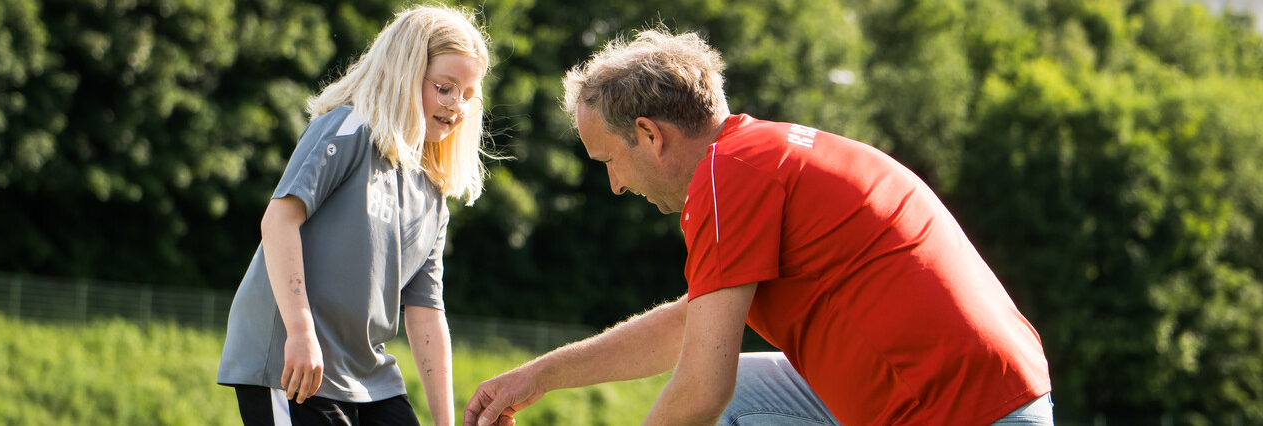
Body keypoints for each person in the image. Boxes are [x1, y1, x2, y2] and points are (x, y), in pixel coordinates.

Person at [463, 28, 1053, 426]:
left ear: (649, 134)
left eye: (609, 160)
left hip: (963, 410)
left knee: (711, 401)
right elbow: (695, 327)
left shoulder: (728, 176)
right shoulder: (757, 155)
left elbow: (701, 389)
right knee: (740, 397)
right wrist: (538, 377)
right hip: (989, 393)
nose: (616, 185)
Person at [217, 5, 492, 426]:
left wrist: (446, 422)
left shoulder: (432, 191)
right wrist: (300, 332)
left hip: (369, 378)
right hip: (291, 365)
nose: (457, 105)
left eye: (468, 95)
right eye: (445, 88)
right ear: (405, 72)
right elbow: (278, 221)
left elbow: (426, 311)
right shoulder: (350, 128)